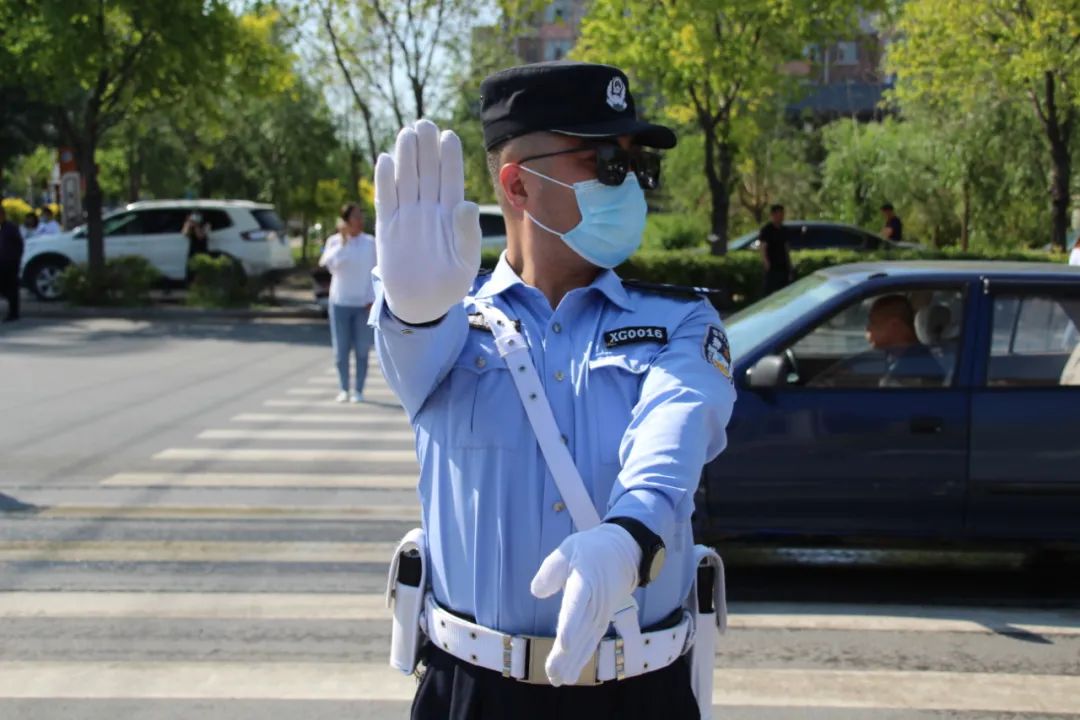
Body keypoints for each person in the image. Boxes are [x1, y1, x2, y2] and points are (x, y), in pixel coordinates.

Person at [373, 62, 736, 720]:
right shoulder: (447, 322)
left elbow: (677, 429)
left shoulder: (680, 318)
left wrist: (628, 538)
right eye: (605, 160)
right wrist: (417, 312)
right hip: (474, 690)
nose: (629, 184)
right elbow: (409, 356)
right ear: (519, 185)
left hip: (639, 692)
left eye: (636, 164)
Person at [319, 203, 376, 403]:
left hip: (363, 304)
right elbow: (329, 265)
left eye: (361, 216)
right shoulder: (334, 242)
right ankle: (344, 388)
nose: (359, 221)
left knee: (362, 349)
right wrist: (343, 243)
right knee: (341, 350)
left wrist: (372, 299)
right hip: (340, 303)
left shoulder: (370, 243)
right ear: (346, 221)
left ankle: (358, 390)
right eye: (355, 217)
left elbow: (376, 272)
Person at [759, 203, 792, 295]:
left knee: (784, 291)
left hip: (783, 265)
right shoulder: (767, 230)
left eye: (782, 214)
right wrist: (766, 262)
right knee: (768, 291)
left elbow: (786, 248)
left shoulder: (784, 230)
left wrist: (789, 264)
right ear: (773, 215)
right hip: (772, 266)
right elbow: (763, 247)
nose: (781, 217)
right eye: (778, 214)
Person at [0, 205, 24, 322]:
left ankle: (13, 313)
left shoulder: (11, 228)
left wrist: (16, 259)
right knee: (4, 288)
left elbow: (19, 244)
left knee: (12, 289)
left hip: (10, 262)